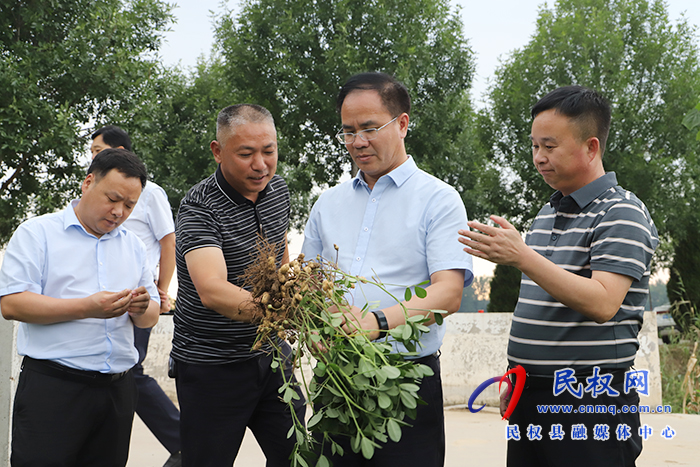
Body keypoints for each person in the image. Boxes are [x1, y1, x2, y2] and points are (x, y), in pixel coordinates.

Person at [458, 85, 658, 467]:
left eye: (550, 146)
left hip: (589, 398)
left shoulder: (620, 212)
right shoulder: (546, 215)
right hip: (530, 395)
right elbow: (541, 309)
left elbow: (603, 302)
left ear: (591, 147)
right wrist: (519, 373)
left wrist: (522, 256)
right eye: (534, 146)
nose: (539, 157)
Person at [301, 72, 474, 466]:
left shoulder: (439, 200)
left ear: (402, 124)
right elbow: (310, 285)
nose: (357, 142)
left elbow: (447, 294)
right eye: (347, 131)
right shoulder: (327, 204)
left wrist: (375, 322)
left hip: (406, 382)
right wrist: (315, 326)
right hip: (338, 382)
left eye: (369, 128)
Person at [0, 149, 161, 466]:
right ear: (88, 183)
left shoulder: (133, 245)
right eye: (112, 198)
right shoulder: (38, 234)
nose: (118, 212)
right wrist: (87, 308)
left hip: (117, 392)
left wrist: (141, 307)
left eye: (129, 205)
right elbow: (12, 304)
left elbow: (149, 317)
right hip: (54, 389)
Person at [171, 104, 305, 466]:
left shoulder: (277, 191)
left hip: (274, 359)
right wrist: (284, 315)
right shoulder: (199, 207)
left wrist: (296, 290)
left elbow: (280, 256)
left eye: (269, 151)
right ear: (218, 151)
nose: (260, 165)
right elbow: (212, 289)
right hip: (212, 366)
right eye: (246, 154)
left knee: (298, 456)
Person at [91, 125, 181, 467]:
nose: (93, 156)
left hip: (138, 297)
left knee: (131, 369)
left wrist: (161, 290)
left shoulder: (151, 193)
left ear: (120, 152)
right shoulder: (94, 193)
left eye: (98, 150)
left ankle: (184, 439)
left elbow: (168, 240)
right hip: (104, 297)